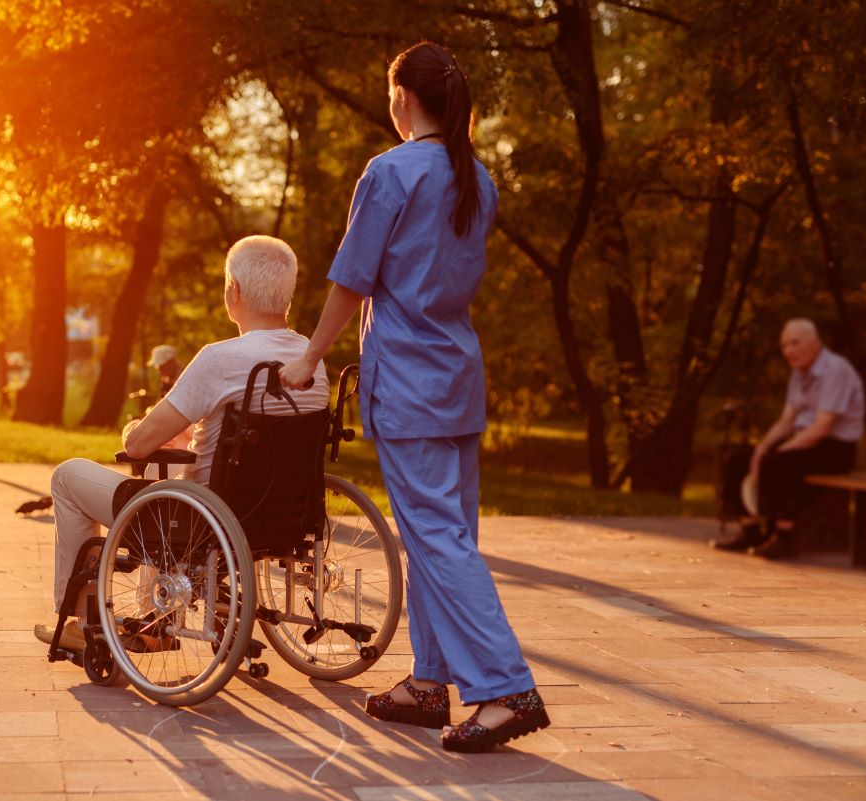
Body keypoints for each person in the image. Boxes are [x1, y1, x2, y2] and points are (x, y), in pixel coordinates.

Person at [280, 41, 547, 754]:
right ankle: (431, 683)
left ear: (402, 99)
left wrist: (310, 355)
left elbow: (353, 277)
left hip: (409, 379)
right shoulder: (475, 178)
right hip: (457, 370)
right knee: (443, 533)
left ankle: (503, 687)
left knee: (435, 535)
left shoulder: (392, 172)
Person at [34, 235, 329, 651]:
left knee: (69, 476)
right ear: (288, 293)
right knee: (166, 473)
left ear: (234, 292)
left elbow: (139, 444)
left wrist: (135, 428)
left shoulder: (219, 358)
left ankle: (83, 623)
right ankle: (155, 619)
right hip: (284, 518)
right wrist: (199, 432)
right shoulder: (310, 361)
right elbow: (262, 439)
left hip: (203, 519)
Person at [712, 318, 865, 559]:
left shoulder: (836, 370)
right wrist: (762, 448)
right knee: (737, 458)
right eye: (784, 345)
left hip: (836, 447)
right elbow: (787, 420)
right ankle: (750, 529)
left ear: (814, 343)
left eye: (795, 343)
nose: (788, 351)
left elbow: (822, 427)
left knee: (779, 463)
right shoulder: (798, 373)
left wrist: (777, 453)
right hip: (805, 439)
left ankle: (785, 536)